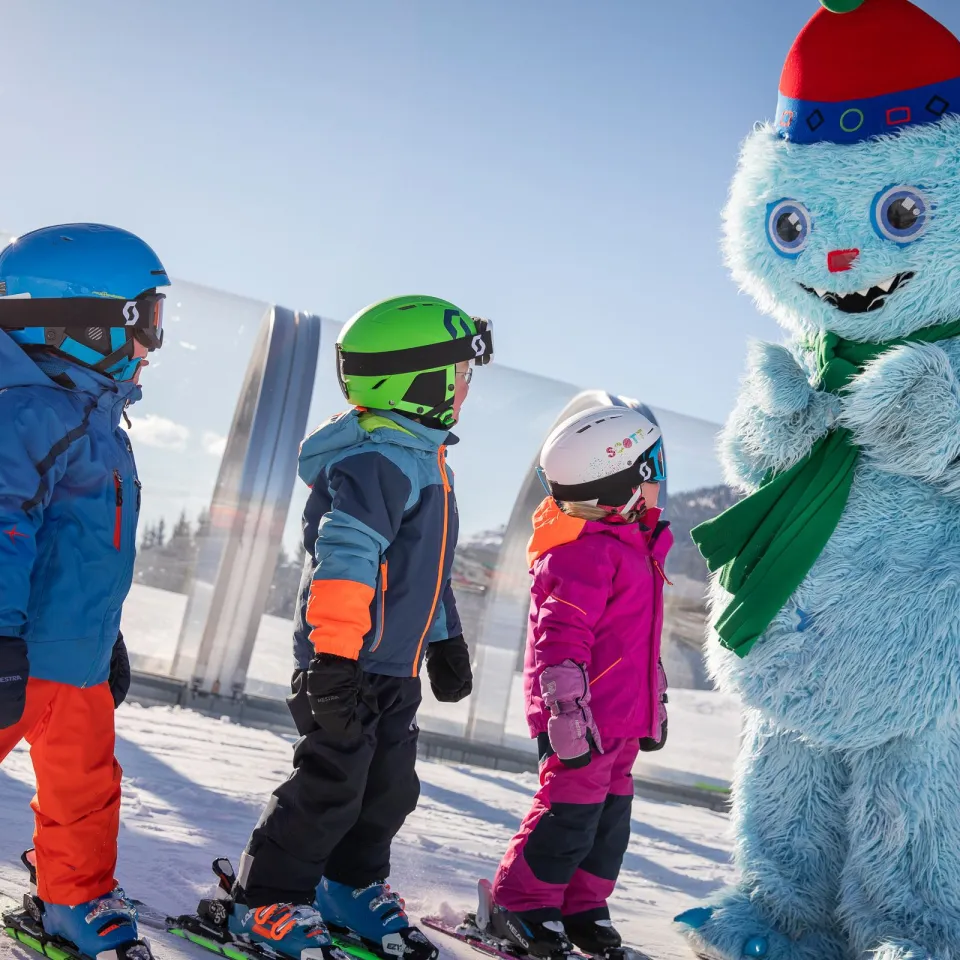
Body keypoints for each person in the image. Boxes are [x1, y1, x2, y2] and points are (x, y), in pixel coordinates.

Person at [220, 296, 493, 960]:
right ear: (415, 380)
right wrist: (334, 662)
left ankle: (348, 885)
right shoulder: (378, 460)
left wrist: (445, 641)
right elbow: (345, 565)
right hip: (344, 664)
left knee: (388, 789)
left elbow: (422, 574)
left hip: (391, 669)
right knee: (330, 786)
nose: (464, 386)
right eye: (456, 372)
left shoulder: (423, 460)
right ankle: (264, 901)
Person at [0, 223, 170, 959]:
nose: (151, 344)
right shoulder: (26, 412)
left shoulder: (98, 417)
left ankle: (72, 898)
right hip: (14, 651)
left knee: (88, 792)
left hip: (73, 661)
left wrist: (108, 638)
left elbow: (84, 550)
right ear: (79, 324)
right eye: (145, 322)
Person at [479, 406, 671, 960]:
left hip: (620, 719)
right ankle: (521, 903)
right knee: (569, 815)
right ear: (621, 482)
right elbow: (558, 642)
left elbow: (640, 639)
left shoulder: (634, 544)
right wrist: (566, 715)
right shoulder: (582, 551)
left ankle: (580, 906)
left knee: (609, 822)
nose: (658, 477)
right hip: (581, 719)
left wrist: (652, 700)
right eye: (651, 466)